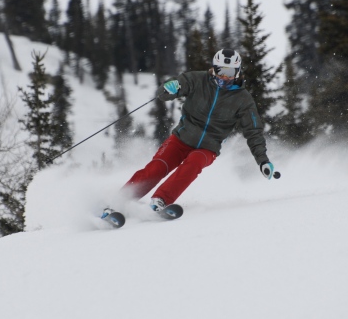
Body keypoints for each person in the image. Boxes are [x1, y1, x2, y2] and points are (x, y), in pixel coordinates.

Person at [102, 48, 278, 217]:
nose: (225, 77)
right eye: (221, 71)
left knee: (193, 163)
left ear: (238, 72)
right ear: (214, 69)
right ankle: (116, 203)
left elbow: (253, 131)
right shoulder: (197, 79)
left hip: (208, 147)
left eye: (230, 72)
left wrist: (262, 160)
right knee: (156, 168)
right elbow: (167, 92)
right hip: (180, 139)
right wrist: (169, 88)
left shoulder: (243, 99)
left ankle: (160, 201)